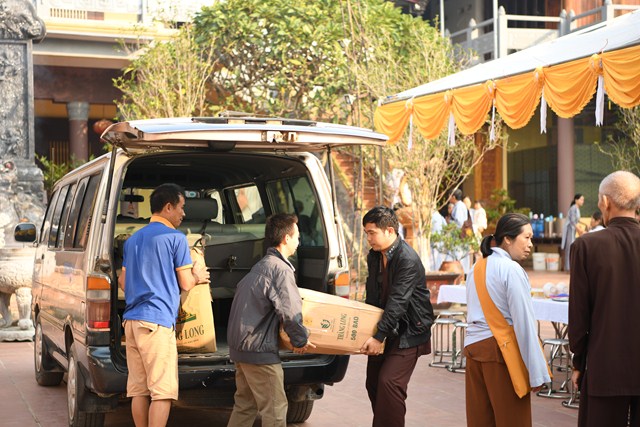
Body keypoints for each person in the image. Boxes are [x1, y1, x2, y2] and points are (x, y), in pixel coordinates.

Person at [118, 183, 209, 427]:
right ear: (168, 207)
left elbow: (123, 282)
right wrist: (198, 275)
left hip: (131, 323)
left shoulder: (132, 240)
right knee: (162, 392)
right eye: (181, 207)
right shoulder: (176, 238)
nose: (183, 213)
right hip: (156, 323)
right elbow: (186, 283)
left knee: (138, 390)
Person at [227, 213, 315, 427]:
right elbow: (290, 312)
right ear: (286, 238)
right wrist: (300, 340)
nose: (298, 242)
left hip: (241, 348)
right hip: (259, 351)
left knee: (245, 406)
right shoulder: (280, 270)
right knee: (275, 409)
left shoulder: (261, 265)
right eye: (297, 237)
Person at [464, 213, 551, 427]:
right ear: (508, 239)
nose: (530, 244)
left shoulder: (476, 267)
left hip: (474, 350)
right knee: (513, 420)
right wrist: (537, 373)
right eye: (526, 237)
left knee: (480, 420)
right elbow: (524, 323)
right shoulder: (511, 269)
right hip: (501, 352)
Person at [568, 171, 640, 427]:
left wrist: (579, 362)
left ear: (606, 202)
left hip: (605, 365)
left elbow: (579, 315)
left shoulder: (586, 246)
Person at [360, 206, 434, 427]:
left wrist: (378, 336)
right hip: (385, 328)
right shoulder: (374, 256)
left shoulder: (407, 259)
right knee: (374, 383)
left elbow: (398, 301)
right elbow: (373, 294)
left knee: (389, 382)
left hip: (409, 332)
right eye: (366, 233)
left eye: (372, 233)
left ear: (390, 231)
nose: (368, 238)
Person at [561, 193, 585, 271]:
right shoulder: (573, 208)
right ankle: (568, 267)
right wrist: (579, 230)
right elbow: (572, 221)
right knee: (569, 247)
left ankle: (571, 266)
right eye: (581, 199)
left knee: (572, 246)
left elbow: (577, 220)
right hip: (569, 229)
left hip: (573, 229)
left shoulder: (577, 208)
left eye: (583, 200)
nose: (582, 201)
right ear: (576, 200)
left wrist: (585, 225)